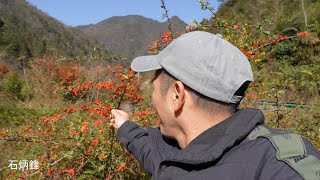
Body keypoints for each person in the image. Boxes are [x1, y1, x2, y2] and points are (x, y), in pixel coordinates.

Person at [109, 31, 320, 180]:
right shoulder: (178, 150)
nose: (151, 97)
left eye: (154, 86)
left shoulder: (278, 164)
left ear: (177, 95)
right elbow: (150, 152)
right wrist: (124, 126)